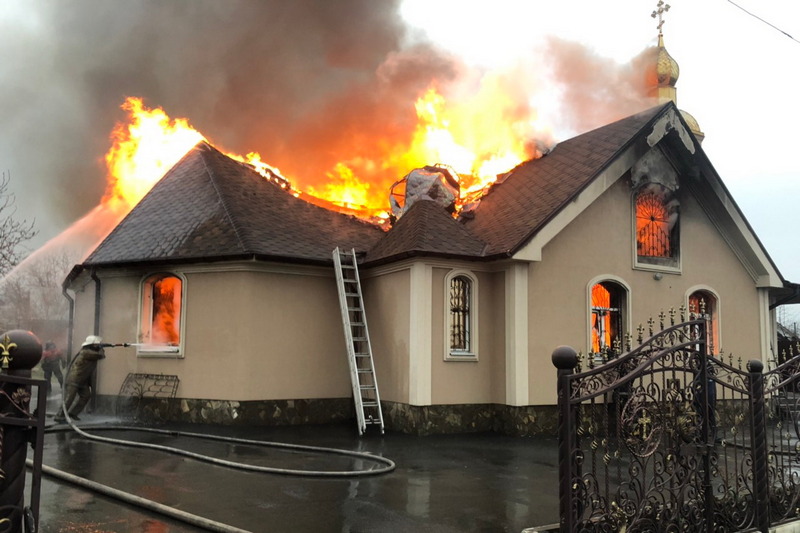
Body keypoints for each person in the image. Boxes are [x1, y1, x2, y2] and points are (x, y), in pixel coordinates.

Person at [55, 335, 106, 423]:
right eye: (97, 344)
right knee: (69, 398)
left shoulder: (91, 352)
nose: (98, 345)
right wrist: (101, 348)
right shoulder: (86, 352)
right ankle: (60, 415)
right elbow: (101, 355)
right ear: (91, 344)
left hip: (83, 380)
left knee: (86, 396)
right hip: (74, 379)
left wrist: (100, 347)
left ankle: (73, 413)